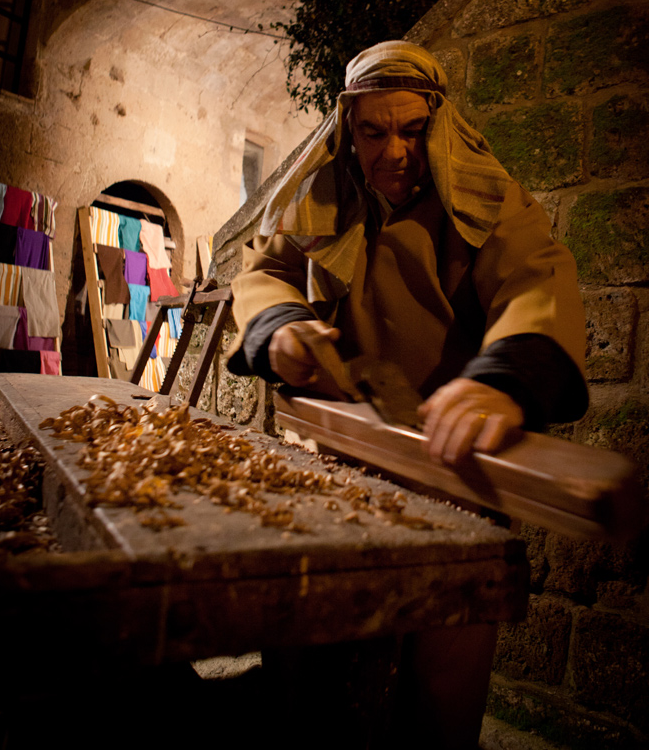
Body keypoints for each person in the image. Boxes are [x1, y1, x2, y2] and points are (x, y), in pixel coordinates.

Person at [227, 39, 588, 746]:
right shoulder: (320, 196)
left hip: (447, 468)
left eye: (411, 129)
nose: (393, 151)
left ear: (437, 123)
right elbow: (262, 271)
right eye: (372, 132)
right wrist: (281, 328)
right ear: (348, 130)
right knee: (310, 661)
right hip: (333, 460)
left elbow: (534, 285)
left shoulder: (491, 203)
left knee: (439, 678)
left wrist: (501, 384)